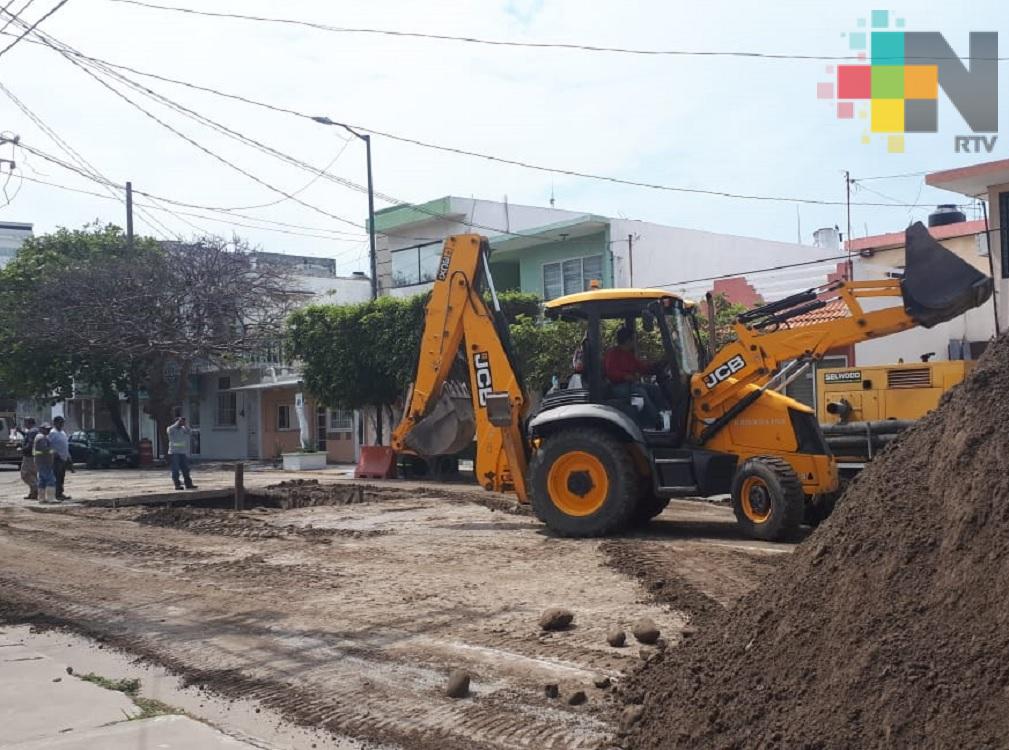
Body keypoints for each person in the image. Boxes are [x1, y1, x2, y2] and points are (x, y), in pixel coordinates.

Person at [603, 327, 669, 429]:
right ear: (627, 340)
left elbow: (641, 367)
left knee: (654, 389)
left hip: (630, 384)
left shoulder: (628, 355)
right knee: (640, 392)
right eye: (633, 339)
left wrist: (655, 367)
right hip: (617, 387)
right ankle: (657, 421)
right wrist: (626, 376)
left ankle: (666, 415)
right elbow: (611, 372)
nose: (635, 342)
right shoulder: (613, 354)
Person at [167, 416, 197, 490]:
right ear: (176, 421)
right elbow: (169, 431)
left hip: (182, 452)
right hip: (174, 452)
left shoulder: (183, 429)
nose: (181, 423)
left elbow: (190, 432)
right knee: (176, 469)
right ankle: (177, 485)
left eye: (182, 421)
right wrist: (177, 423)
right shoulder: (171, 428)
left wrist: (185, 425)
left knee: (186, 469)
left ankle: (188, 484)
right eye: (180, 421)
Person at [49, 416, 74, 501]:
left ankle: (60, 493)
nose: (62, 424)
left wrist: (69, 457)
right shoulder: (52, 433)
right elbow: (49, 445)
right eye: (60, 422)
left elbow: (65, 446)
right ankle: (55, 494)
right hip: (56, 459)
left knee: (61, 477)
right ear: (55, 423)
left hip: (64, 458)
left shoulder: (63, 433)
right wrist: (54, 453)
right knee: (56, 477)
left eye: (62, 422)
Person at [33, 423, 57, 503]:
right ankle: (51, 498)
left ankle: (41, 498)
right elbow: (45, 449)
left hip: (40, 462)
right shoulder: (42, 438)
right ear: (41, 429)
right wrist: (53, 451)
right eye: (46, 429)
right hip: (44, 462)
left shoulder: (40, 437)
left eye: (49, 429)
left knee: (42, 480)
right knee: (50, 479)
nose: (48, 430)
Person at [19, 417, 39, 500]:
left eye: (25, 422)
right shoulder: (35, 430)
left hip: (29, 456)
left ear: (29, 423)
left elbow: (30, 444)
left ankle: (35, 488)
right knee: (33, 474)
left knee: (25, 474)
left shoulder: (31, 431)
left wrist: (22, 449)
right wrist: (21, 432)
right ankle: (33, 493)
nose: (24, 424)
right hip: (34, 456)